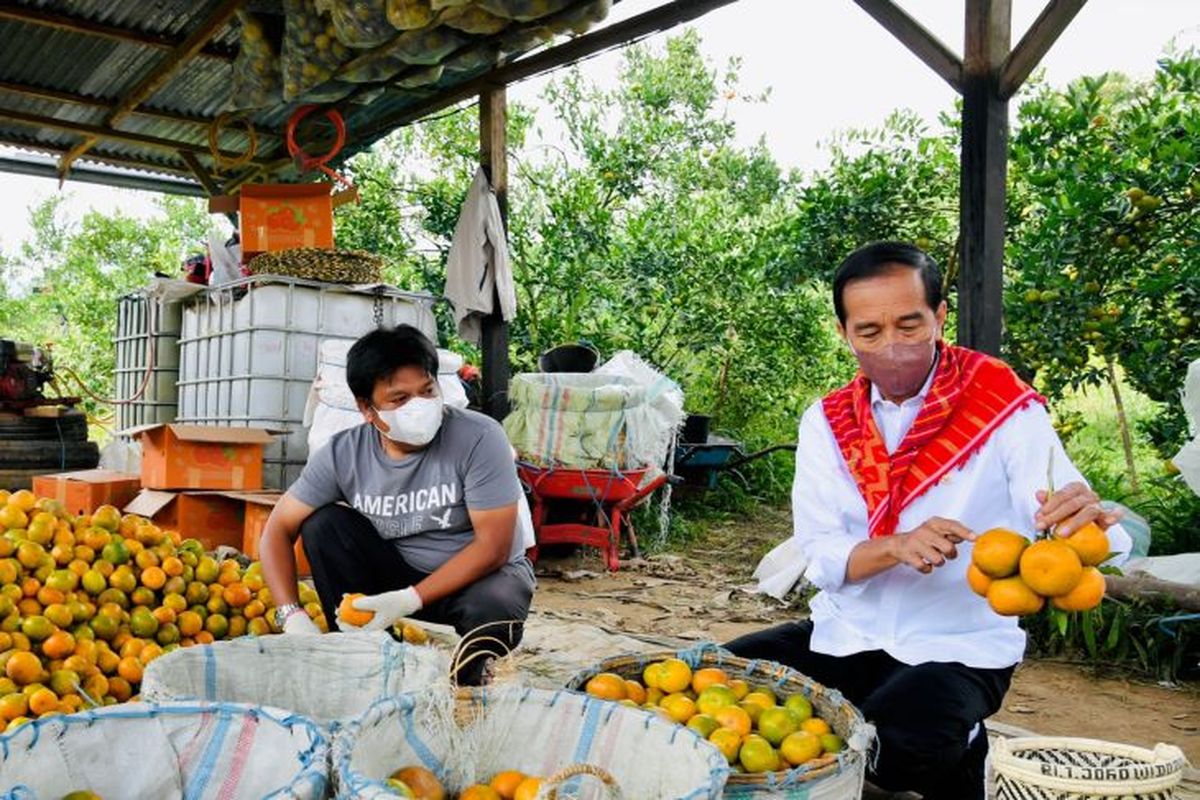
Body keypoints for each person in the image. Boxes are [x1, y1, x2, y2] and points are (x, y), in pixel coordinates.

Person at [726, 242, 1131, 799]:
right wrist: (895, 546)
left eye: (910, 324)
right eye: (869, 332)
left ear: (940, 317)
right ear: (845, 334)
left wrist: (1080, 515)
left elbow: (1070, 508)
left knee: (889, 748)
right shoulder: (827, 422)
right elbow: (820, 552)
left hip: (959, 648)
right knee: (719, 680)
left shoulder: (1002, 406)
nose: (891, 346)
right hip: (844, 633)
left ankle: (963, 756)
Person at [260, 324, 535, 685]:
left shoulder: (480, 437)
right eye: (399, 399)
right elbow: (277, 530)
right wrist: (291, 615)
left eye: (427, 391)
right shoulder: (343, 453)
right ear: (367, 409)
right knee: (323, 525)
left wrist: (408, 600)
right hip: (398, 571)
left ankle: (469, 679)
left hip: (477, 577)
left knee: (497, 607)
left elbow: (494, 546)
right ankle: (365, 662)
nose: (418, 407)